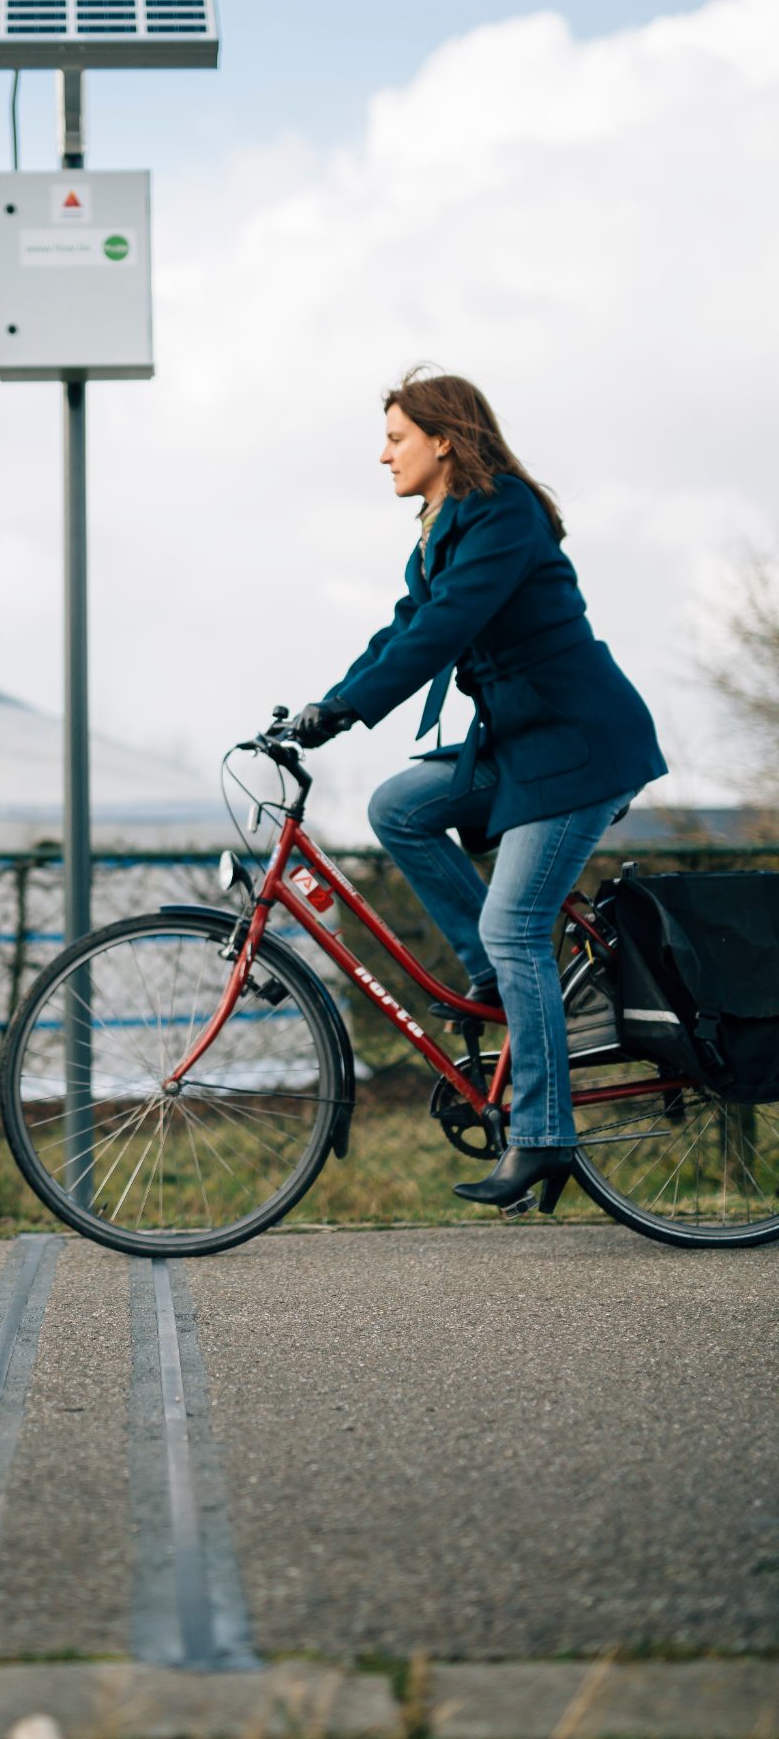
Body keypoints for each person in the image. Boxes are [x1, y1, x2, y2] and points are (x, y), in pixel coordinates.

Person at [291, 367, 667, 1214]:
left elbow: (447, 626)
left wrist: (351, 709)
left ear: (443, 441)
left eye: (395, 439)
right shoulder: (441, 525)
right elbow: (405, 625)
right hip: (520, 743)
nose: (382, 454)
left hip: (580, 750)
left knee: (516, 922)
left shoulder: (504, 515)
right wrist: (325, 705)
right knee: (399, 807)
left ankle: (543, 1137)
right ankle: (491, 976)